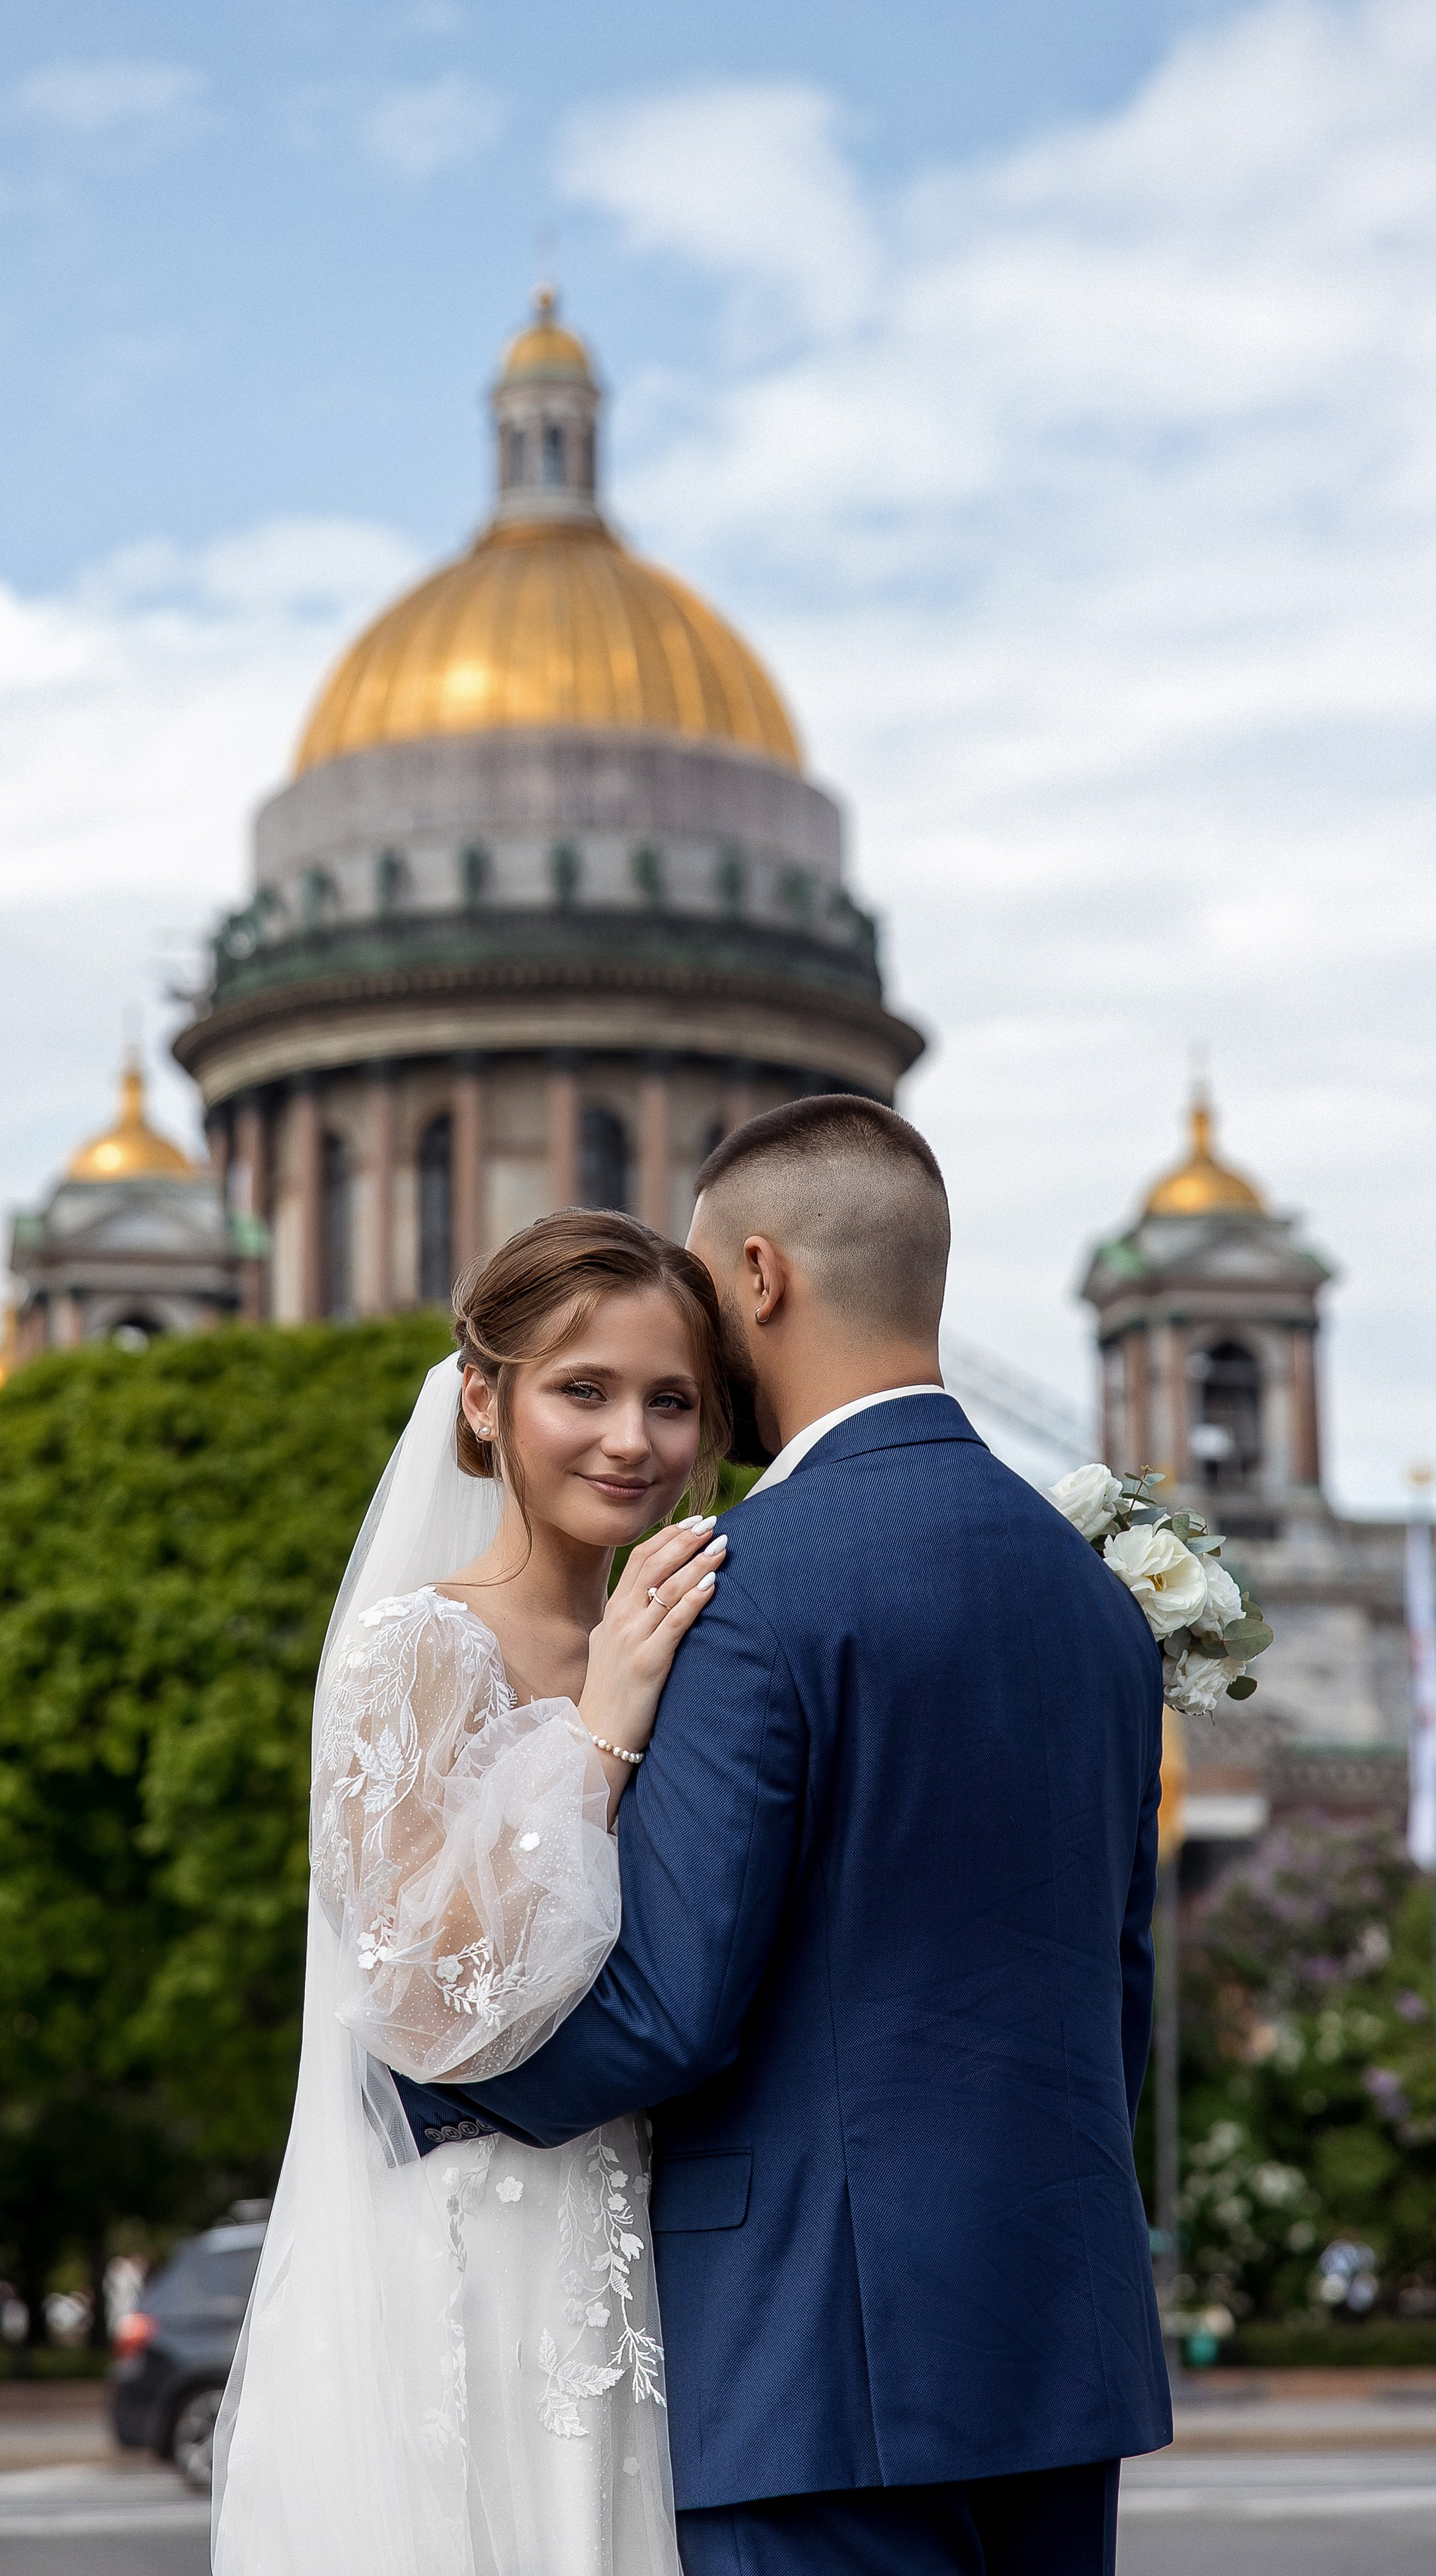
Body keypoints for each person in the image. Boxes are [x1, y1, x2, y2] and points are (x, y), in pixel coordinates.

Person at [394, 1096, 1173, 2576]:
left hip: (809, 2356)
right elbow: (1112, 1992)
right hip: (1056, 2344)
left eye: (698, 1293)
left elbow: (673, 2010)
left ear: (757, 1277)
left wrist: (425, 2080)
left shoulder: (734, 1584)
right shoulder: (1097, 1602)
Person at [211, 1209, 735, 2576]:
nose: (631, 1439)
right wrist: (599, 1734)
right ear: (484, 1405)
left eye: (668, 1401)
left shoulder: (681, 1626)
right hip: (472, 2247)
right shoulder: (419, 1646)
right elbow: (424, 2001)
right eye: (584, 1390)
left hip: (636, 2240)